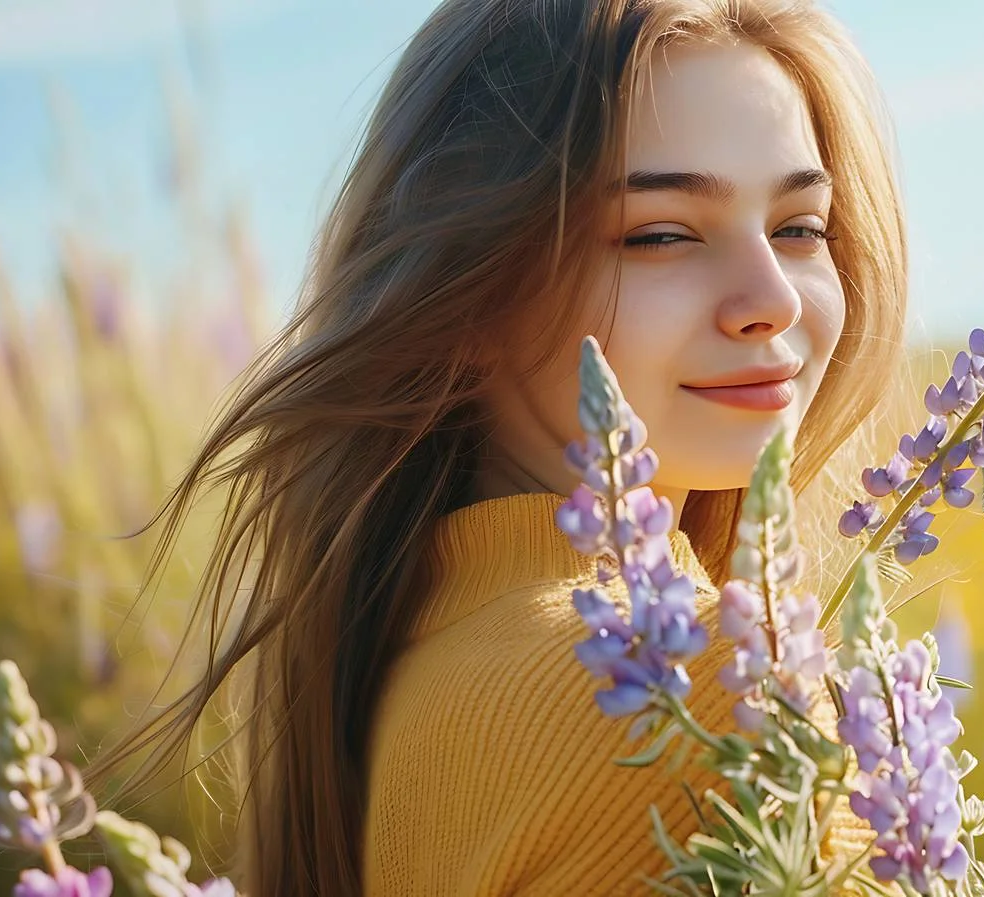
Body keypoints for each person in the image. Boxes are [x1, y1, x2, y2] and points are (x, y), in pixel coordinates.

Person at [92, 0, 909, 894]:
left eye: (800, 227)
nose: (774, 298)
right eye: (660, 234)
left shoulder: (411, 660)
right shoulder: (704, 690)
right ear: (467, 294)